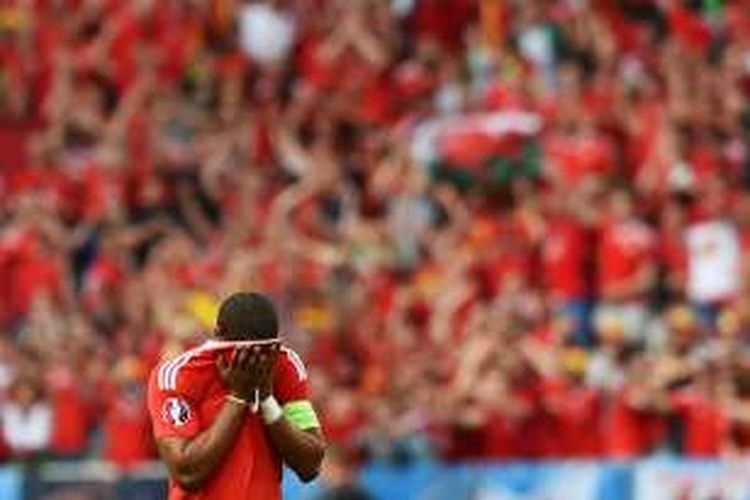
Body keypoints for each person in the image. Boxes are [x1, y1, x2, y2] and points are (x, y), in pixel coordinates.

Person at [147, 292, 326, 499]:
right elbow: (186, 472)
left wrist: (267, 400)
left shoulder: (284, 365)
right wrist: (238, 397)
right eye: (238, 351)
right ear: (217, 336)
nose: (254, 360)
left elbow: (311, 466)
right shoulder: (178, 375)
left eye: (264, 350)